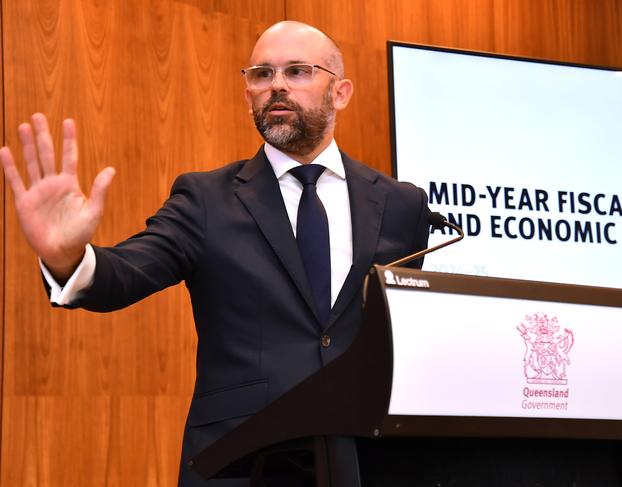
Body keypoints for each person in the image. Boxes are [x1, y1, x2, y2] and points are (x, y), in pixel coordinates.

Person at [1, 21, 430, 486]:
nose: (277, 86)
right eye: (262, 74)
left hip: (367, 463)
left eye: (298, 71)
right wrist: (69, 257)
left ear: (341, 92)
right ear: (248, 95)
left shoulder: (400, 205)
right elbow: (127, 271)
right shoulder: (207, 198)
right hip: (240, 462)